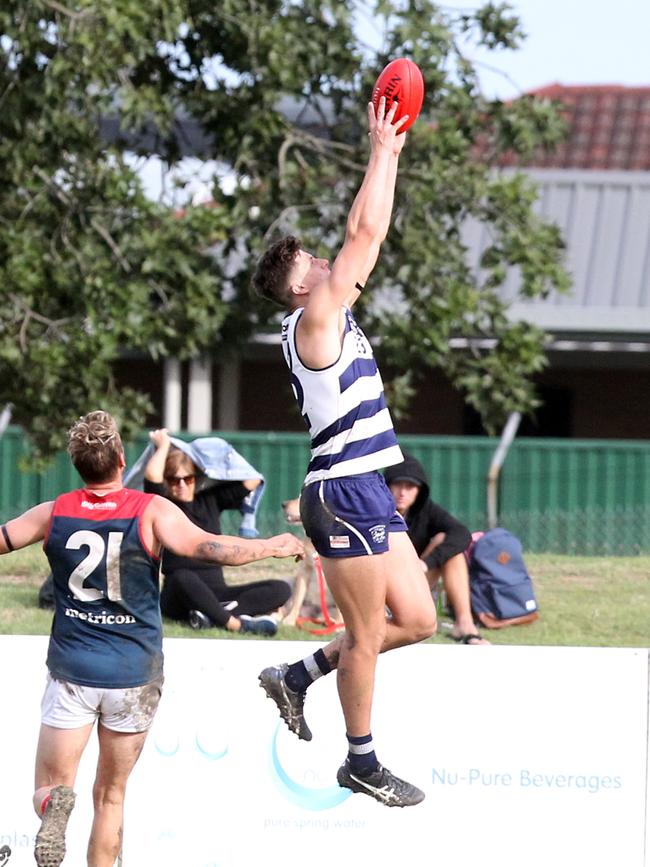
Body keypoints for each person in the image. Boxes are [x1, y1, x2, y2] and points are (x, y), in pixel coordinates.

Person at [0, 410, 304, 867]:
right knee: (111, 795)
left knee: (53, 785)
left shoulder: (54, 512)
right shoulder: (152, 510)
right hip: (134, 673)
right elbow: (210, 548)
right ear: (122, 459)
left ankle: (51, 808)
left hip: (73, 670)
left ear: (76, 463)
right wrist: (272, 545)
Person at [251, 96, 436, 808]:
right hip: (344, 489)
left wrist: (391, 153)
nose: (329, 261)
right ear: (300, 285)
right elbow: (367, 229)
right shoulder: (316, 316)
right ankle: (361, 759)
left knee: (417, 619)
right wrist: (383, 147)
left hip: (364, 484)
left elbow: (364, 238)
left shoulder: (327, 310)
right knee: (364, 635)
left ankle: (297, 675)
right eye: (314, 261)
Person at [143, 428, 292, 636]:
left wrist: (213, 459)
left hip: (218, 593)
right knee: (181, 577)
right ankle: (235, 624)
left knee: (281, 589)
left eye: (188, 479)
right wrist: (164, 446)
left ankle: (208, 615)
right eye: (174, 480)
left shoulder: (210, 500)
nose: (182, 485)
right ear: (167, 482)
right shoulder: (163, 505)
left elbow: (252, 480)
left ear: (197, 478)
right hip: (178, 594)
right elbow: (152, 475)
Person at [384, 454, 489, 645]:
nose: (403, 492)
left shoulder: (425, 510)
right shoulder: (375, 511)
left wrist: (426, 563)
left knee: (448, 544)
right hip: (381, 587)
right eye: (398, 484)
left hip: (414, 583)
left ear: (419, 491)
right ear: (387, 486)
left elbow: (461, 534)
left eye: (410, 486)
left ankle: (464, 625)